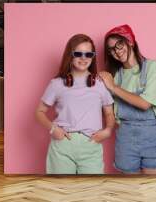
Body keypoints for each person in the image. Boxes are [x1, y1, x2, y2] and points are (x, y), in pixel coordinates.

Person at [36, 34, 115, 174]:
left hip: (91, 145)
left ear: (93, 56)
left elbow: (109, 112)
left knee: (91, 192)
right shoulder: (57, 84)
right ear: (70, 55)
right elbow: (39, 112)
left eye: (88, 54)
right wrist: (53, 129)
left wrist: (108, 131)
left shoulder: (100, 83)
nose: (83, 58)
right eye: (78, 53)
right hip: (63, 145)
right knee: (61, 192)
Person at [98, 24, 156, 174]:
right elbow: (105, 107)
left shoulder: (152, 67)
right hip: (126, 138)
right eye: (111, 49)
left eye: (119, 44)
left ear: (130, 41)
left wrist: (114, 88)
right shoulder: (115, 76)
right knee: (128, 192)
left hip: (153, 137)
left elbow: (144, 104)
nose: (116, 51)